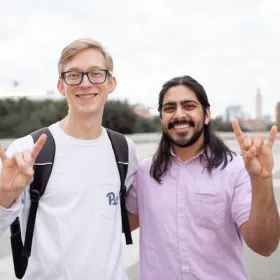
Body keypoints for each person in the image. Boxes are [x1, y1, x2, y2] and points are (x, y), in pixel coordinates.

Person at [0, 38, 138, 280]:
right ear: (60, 85)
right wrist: (5, 194)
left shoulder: (125, 150)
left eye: (96, 73)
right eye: (73, 75)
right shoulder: (27, 150)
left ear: (111, 83)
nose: (85, 83)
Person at [126, 75, 280, 280]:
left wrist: (261, 179)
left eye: (189, 106)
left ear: (207, 114)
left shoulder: (235, 169)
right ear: (162, 117)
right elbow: (118, 225)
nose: (179, 114)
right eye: (169, 108)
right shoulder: (145, 173)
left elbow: (265, 246)